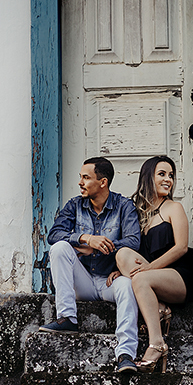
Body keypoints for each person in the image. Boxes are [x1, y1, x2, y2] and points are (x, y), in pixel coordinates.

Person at [40, 157, 142, 373]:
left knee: (126, 286)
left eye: (86, 177)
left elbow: (134, 241)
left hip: (109, 281)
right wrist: (86, 238)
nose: (80, 182)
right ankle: (67, 317)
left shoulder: (124, 206)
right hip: (83, 280)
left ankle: (125, 354)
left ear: (102, 182)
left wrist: (100, 246)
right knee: (59, 248)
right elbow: (54, 234)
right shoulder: (75, 205)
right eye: (80, 177)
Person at [115, 155, 193, 372]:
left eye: (171, 175)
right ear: (148, 177)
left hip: (181, 275)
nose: (168, 180)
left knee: (141, 278)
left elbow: (181, 247)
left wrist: (148, 268)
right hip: (150, 276)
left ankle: (157, 343)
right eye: (162, 174)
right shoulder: (136, 213)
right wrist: (118, 271)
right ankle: (160, 307)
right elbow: (130, 252)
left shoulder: (174, 208)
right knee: (122, 254)